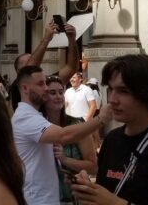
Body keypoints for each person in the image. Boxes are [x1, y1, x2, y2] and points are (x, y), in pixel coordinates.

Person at [70, 54, 148, 205]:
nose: (112, 99)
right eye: (111, 89)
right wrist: (90, 191)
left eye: (123, 91)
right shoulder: (112, 140)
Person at [13, 65, 110, 205]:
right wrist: (101, 119)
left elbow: (91, 166)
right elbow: (63, 136)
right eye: (41, 84)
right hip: (37, 200)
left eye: (60, 92)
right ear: (24, 88)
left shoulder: (36, 116)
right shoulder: (25, 117)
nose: (45, 89)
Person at [44, 76, 97, 205]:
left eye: (61, 92)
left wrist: (65, 159)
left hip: (74, 197)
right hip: (44, 197)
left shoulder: (77, 125)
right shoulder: (37, 127)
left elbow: (93, 167)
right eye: (52, 93)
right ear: (43, 97)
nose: (58, 96)